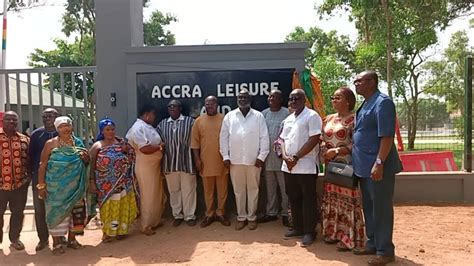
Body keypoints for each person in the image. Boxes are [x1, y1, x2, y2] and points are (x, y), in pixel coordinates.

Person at [352, 71, 403, 265]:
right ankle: (373, 242)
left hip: (378, 167)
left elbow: (387, 136)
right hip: (363, 167)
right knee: (369, 207)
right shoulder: (366, 102)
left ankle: (385, 250)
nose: (355, 84)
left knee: (381, 208)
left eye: (359, 81)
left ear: (371, 82)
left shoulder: (383, 103)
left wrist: (379, 163)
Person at [320, 87, 365, 251]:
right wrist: (324, 148)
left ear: (348, 101)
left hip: (347, 166)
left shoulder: (355, 119)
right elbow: (322, 137)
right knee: (332, 199)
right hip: (330, 166)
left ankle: (348, 238)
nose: (333, 100)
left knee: (347, 201)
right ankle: (333, 233)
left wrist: (338, 151)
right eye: (333, 97)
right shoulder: (328, 119)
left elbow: (357, 142)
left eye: (338, 97)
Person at [37, 116, 90, 255]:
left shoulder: (78, 143)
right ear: (57, 129)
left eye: (67, 125)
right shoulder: (50, 143)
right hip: (56, 188)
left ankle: (72, 240)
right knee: (55, 213)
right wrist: (41, 186)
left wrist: (85, 159)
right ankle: (57, 243)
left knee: (76, 212)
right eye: (61, 126)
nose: (65, 128)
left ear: (71, 126)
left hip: (76, 186)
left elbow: (86, 161)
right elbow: (43, 165)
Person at [220, 89, 269, 230]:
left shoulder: (258, 116)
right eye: (240, 97)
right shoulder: (229, 116)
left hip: (254, 161)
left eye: (245, 97)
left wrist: (261, 157)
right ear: (237, 99)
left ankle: (252, 217)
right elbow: (223, 138)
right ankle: (241, 217)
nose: (242, 99)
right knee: (238, 190)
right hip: (234, 161)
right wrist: (225, 156)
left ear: (250, 99)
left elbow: (264, 137)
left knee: (253, 189)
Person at [280, 89, 322, 247]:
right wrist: (285, 157)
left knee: (308, 199)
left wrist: (296, 157)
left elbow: (314, 139)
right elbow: (282, 140)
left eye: (296, 99)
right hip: (288, 166)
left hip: (305, 166)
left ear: (304, 100)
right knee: (293, 197)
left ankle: (310, 232)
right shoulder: (289, 118)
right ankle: (297, 227)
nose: (292, 102)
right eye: (290, 99)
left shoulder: (312, 116)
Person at [89, 118, 138, 242]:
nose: (110, 132)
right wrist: (92, 182)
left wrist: (128, 151)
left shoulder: (121, 142)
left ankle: (122, 230)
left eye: (112, 129)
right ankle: (108, 232)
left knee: (123, 205)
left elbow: (133, 156)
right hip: (106, 185)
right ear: (102, 131)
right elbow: (90, 166)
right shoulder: (97, 146)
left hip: (123, 182)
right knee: (108, 208)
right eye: (107, 130)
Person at [125, 105, 166, 236]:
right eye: (153, 115)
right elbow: (144, 149)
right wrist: (159, 148)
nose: (154, 118)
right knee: (148, 196)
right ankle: (146, 225)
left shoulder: (148, 126)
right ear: (147, 114)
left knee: (156, 194)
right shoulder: (138, 128)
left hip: (154, 166)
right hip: (145, 166)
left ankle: (154, 221)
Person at [191, 96, 230, 227]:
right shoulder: (199, 121)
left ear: (217, 105)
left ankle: (221, 213)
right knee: (208, 190)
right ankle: (209, 214)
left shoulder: (224, 119)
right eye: (207, 104)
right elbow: (195, 143)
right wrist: (197, 160)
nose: (210, 106)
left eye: (212, 104)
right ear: (204, 106)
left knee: (222, 189)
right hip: (205, 162)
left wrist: (228, 157)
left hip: (222, 161)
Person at [157, 100, 197, 227]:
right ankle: (177, 215)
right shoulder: (162, 124)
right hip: (170, 163)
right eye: (169, 107)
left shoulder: (190, 122)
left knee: (189, 190)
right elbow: (157, 141)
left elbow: (197, 140)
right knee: (174, 191)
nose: (171, 108)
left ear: (180, 108)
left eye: (174, 106)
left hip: (187, 162)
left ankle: (190, 216)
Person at [258, 89, 290, 226]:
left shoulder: (287, 113)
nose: (271, 98)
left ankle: (285, 214)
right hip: (267, 158)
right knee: (270, 188)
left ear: (281, 99)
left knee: (285, 188)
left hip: (282, 159)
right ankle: (271, 212)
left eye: (274, 96)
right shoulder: (263, 114)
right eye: (270, 96)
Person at [29, 108, 59, 251]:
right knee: (40, 208)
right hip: (39, 176)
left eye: (51, 116)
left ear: (57, 117)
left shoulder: (64, 133)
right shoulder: (36, 135)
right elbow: (30, 156)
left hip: (60, 177)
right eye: (44, 116)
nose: (47, 119)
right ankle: (43, 239)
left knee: (59, 206)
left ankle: (60, 237)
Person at [0, 111, 30, 251]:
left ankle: (15, 238)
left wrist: (27, 178)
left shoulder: (24, 139)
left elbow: (29, 160)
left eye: (14, 120)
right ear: (3, 121)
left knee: (18, 213)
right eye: (8, 119)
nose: (11, 122)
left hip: (19, 185)